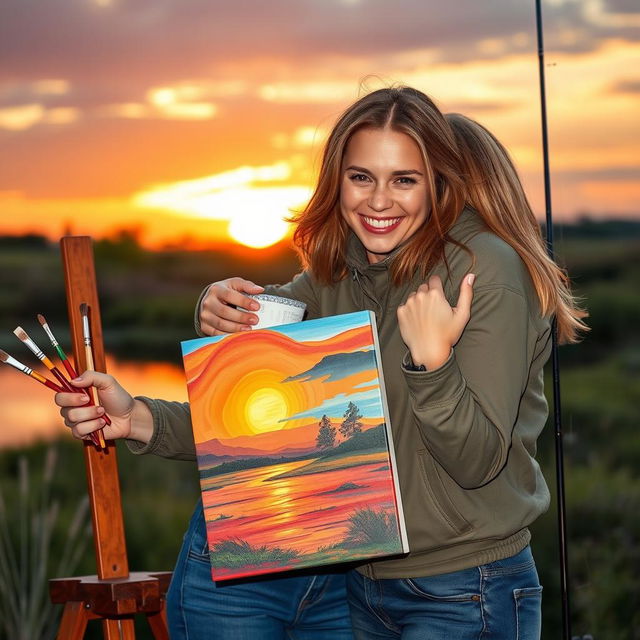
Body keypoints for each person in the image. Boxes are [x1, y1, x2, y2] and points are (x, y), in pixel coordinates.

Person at [57, 87, 587, 639]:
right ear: (337, 180)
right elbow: (275, 422)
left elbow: (477, 460)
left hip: (465, 589)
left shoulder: (483, 272)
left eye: (403, 179)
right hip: (363, 587)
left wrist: (432, 366)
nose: (378, 201)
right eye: (361, 177)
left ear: (437, 183)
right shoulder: (336, 277)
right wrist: (140, 413)